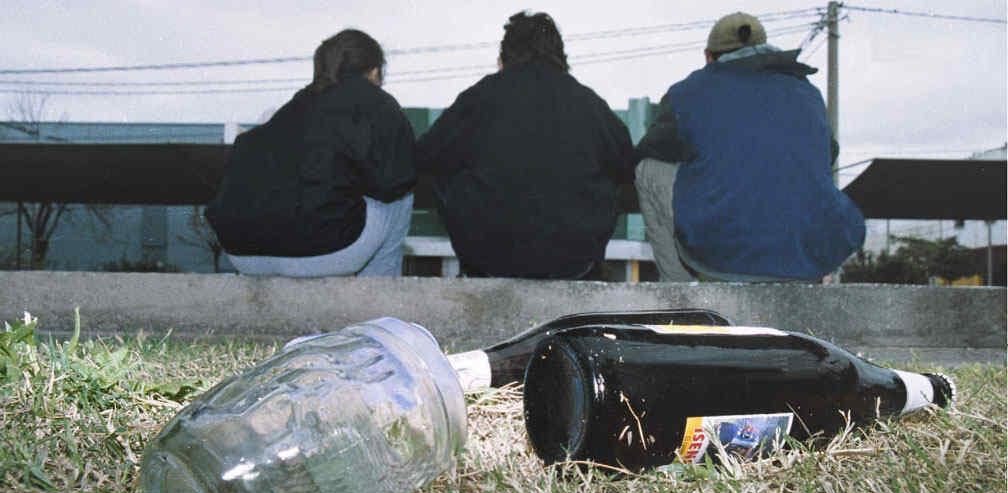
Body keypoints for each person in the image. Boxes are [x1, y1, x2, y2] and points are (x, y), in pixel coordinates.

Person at [634, 12, 866, 282]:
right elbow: (828, 155)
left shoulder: (687, 93)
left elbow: (650, 149)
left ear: (709, 56)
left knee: (647, 168)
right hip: (810, 251)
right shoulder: (808, 93)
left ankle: (679, 294)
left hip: (726, 252)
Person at [416, 11, 635, 279]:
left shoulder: (481, 97)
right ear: (560, 56)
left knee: (446, 172)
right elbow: (627, 166)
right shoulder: (590, 104)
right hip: (573, 261)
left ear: (504, 56)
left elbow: (425, 156)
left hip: (488, 257)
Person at [206, 29, 416, 277]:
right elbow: (394, 181)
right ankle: (378, 305)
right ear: (374, 71)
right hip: (322, 253)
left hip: (242, 253)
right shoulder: (378, 102)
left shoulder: (292, 109)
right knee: (401, 196)